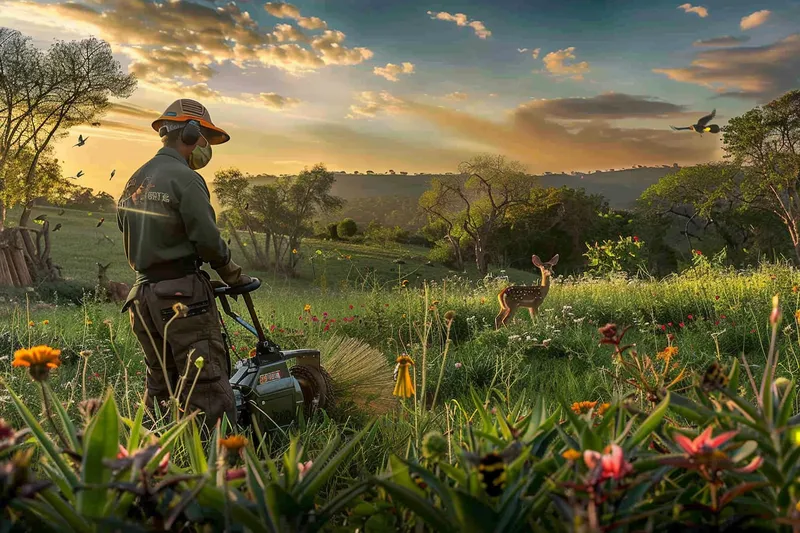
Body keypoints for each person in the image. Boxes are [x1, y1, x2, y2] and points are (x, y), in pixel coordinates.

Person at [116, 98, 250, 429]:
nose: (206, 146)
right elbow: (206, 239)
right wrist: (232, 274)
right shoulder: (186, 179)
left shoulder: (135, 179)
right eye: (204, 137)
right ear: (190, 134)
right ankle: (212, 464)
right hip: (181, 298)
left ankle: (156, 459)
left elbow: (126, 227)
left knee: (161, 384)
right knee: (205, 384)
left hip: (142, 298)